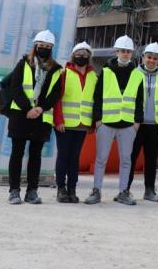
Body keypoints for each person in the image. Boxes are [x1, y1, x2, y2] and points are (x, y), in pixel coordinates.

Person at [85, 35, 143, 206]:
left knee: (126, 160)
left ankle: (123, 192)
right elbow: (98, 96)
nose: (125, 54)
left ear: (132, 53)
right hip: (106, 123)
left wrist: (136, 122)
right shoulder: (106, 71)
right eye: (122, 51)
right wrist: (98, 120)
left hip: (128, 124)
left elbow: (139, 101)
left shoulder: (137, 74)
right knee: (101, 159)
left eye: (128, 51)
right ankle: (96, 191)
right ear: (117, 51)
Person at [7, 30, 62, 205]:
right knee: (17, 153)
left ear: (51, 48)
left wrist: (40, 108)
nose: (44, 49)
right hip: (21, 116)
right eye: (41, 46)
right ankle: (14, 191)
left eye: (48, 47)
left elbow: (55, 93)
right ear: (35, 46)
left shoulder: (56, 69)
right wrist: (28, 108)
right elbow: (15, 87)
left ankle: (32, 191)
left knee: (35, 155)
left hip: (41, 116)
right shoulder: (23, 64)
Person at [127, 43, 158, 202]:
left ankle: (149, 190)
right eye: (149, 57)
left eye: (155, 58)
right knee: (130, 158)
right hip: (135, 125)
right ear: (143, 57)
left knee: (151, 159)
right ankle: (125, 189)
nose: (152, 60)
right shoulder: (133, 74)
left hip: (156, 126)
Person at [53, 41, 96, 204]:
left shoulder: (93, 76)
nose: (82, 57)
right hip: (64, 124)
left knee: (75, 157)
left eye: (85, 55)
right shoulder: (64, 73)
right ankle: (61, 189)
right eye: (78, 55)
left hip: (82, 124)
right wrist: (58, 120)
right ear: (73, 56)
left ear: (89, 57)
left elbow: (94, 101)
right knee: (63, 155)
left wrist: (91, 124)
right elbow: (57, 99)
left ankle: (72, 189)